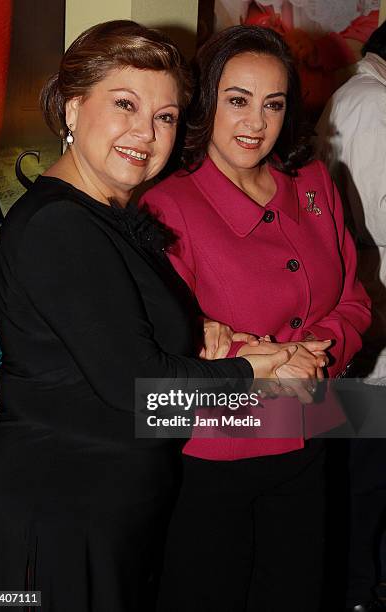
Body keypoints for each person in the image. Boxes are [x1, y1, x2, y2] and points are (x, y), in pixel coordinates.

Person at [0, 20, 313, 612]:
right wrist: (253, 379)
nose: (147, 132)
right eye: (126, 105)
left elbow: (114, 335)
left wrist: (208, 336)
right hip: (53, 528)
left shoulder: (104, 217)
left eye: (164, 116)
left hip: (97, 518)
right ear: (73, 108)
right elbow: (142, 393)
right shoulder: (61, 227)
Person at [141, 24, 372, 612]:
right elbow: (161, 350)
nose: (256, 122)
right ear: (205, 102)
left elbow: (354, 298)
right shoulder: (166, 204)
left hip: (312, 433)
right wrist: (263, 366)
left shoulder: (315, 181)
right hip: (213, 458)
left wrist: (314, 356)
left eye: (273, 104)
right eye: (237, 100)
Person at [316, 20, 386, 612]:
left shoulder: (359, 98)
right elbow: (365, 232)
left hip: (365, 315)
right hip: (369, 318)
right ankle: (357, 591)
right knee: (366, 472)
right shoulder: (372, 104)